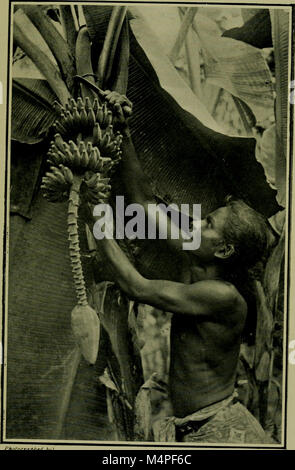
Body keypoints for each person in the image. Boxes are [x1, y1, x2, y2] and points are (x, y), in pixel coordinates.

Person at [85, 91, 273, 444]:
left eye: (209, 224)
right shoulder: (197, 253)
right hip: (194, 426)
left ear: (225, 249)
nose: (197, 224)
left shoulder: (223, 297)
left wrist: (95, 215)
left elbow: (136, 286)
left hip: (219, 431)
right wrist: (123, 130)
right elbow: (142, 202)